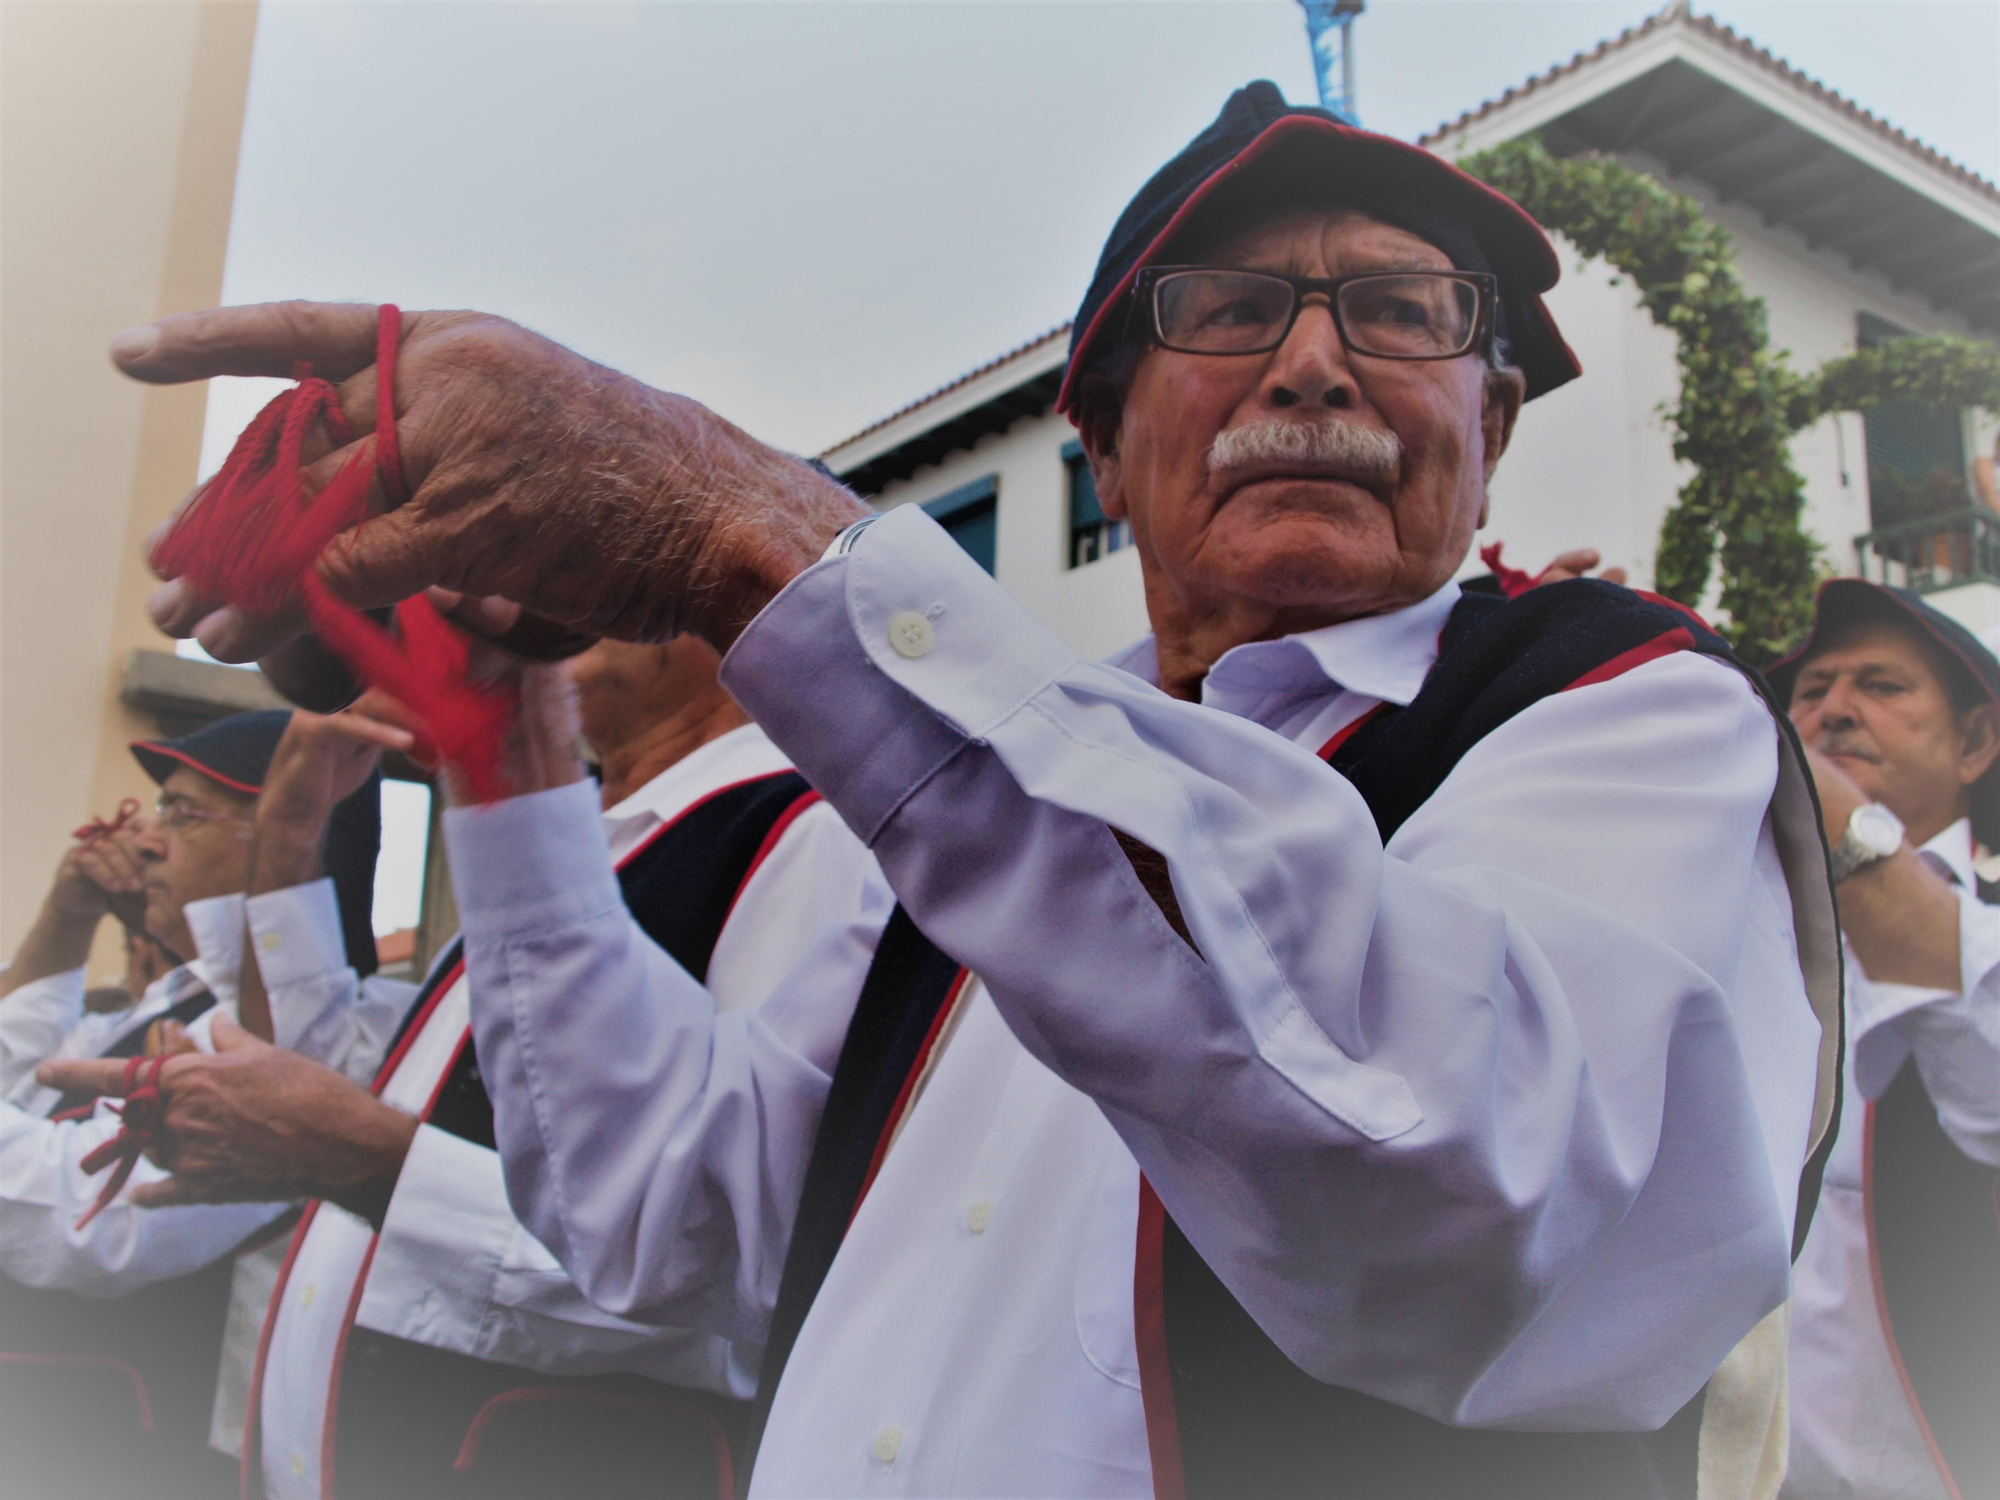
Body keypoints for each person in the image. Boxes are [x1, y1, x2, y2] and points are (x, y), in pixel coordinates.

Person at [121, 81, 1838, 1499]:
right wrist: (510, 747)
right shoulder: (975, 767)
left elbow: (1471, 1194)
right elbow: (677, 1234)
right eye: (1230, 311)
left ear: (1496, 424)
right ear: (1102, 443)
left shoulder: (1631, 707)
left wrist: (738, 527)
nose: (1315, 366)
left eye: (1401, 314)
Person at [46, 637, 882, 1500]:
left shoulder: (800, 833)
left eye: (580, 564)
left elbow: (736, 1274)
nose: (537, 614)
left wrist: (359, 1162)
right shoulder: (568, 838)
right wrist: (294, 819)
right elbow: (327, 1084)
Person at [0, 708, 404, 1497]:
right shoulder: (175, 998)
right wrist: (66, 918)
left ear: (287, 838)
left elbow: (93, 1220)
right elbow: (20, 1086)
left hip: (151, 1458)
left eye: (183, 816)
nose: (148, 840)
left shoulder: (302, 1047)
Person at [1768, 580, 2000, 1500]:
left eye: (1881, 685)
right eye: (1811, 691)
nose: (1834, 713)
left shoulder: (1982, 933)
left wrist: (1846, 838)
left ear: (1977, 742)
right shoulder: (1732, 932)